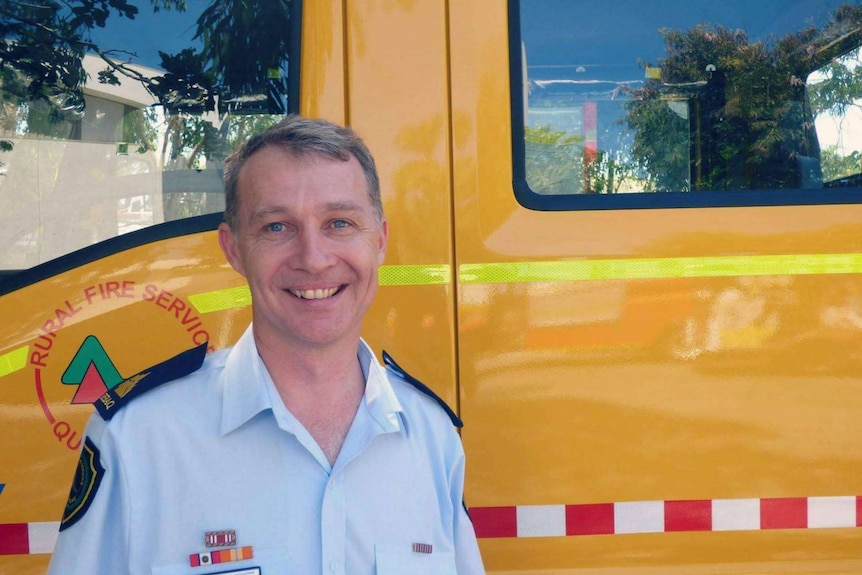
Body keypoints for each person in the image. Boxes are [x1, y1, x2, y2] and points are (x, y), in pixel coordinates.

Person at [47, 115, 485, 575]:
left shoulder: (432, 439)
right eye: (277, 227)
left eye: (339, 222)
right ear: (233, 249)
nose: (314, 259)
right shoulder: (138, 437)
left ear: (379, 241)